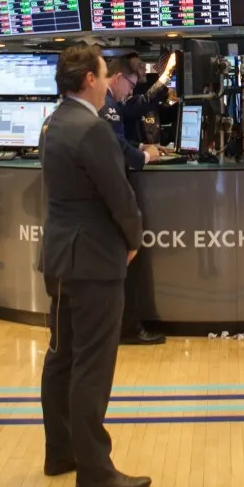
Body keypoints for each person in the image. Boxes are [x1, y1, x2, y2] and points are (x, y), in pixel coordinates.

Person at [39, 44, 150, 487]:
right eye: (104, 75)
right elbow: (118, 196)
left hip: (61, 258)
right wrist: (133, 238)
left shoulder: (52, 122)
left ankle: (60, 451)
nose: (108, 83)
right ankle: (96, 471)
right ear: (88, 79)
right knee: (92, 365)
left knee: (62, 356)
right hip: (94, 261)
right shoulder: (92, 129)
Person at [102, 54, 172, 347]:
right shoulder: (107, 108)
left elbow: (116, 143)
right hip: (112, 197)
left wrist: (142, 145)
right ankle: (128, 329)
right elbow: (116, 150)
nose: (131, 92)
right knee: (124, 267)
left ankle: (123, 327)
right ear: (116, 78)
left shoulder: (104, 106)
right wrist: (144, 155)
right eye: (131, 84)